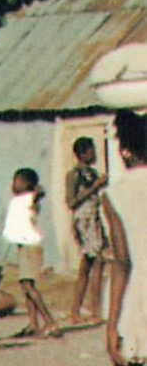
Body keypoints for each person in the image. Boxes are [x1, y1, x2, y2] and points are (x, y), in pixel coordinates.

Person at [100, 110, 147, 366]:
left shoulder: (114, 194)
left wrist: (111, 322)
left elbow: (122, 261)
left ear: (126, 151)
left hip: (136, 298)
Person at [3, 168, 61, 340]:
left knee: (29, 286)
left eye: (18, 181)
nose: (14, 184)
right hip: (24, 245)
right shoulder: (20, 200)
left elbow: (39, 192)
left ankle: (50, 322)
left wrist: (33, 190)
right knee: (24, 285)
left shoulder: (29, 199)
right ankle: (33, 323)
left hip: (30, 246)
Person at [67, 137, 110, 324]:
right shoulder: (74, 175)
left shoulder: (91, 173)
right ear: (83, 153)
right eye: (91, 151)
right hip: (83, 220)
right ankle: (85, 310)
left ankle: (86, 309)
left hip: (93, 219)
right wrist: (95, 187)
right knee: (92, 263)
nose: (95, 155)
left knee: (92, 264)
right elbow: (72, 202)